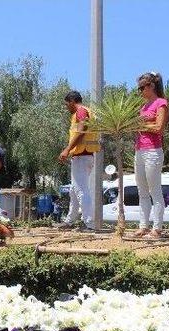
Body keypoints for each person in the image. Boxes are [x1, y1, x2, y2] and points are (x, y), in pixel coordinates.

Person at [132, 72, 169, 239]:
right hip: (139, 150)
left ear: (151, 86)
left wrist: (143, 125)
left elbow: (159, 128)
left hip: (153, 150)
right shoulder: (143, 107)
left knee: (155, 190)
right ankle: (143, 226)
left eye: (142, 87)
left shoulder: (161, 103)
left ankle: (157, 228)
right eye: (138, 88)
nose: (140, 91)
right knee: (142, 191)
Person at [57, 90, 100, 231]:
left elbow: (81, 131)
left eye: (66, 104)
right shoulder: (88, 111)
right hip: (85, 155)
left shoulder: (81, 111)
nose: (66, 107)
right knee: (74, 191)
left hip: (82, 155)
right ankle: (69, 221)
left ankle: (89, 224)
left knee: (81, 190)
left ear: (72, 101)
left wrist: (67, 149)